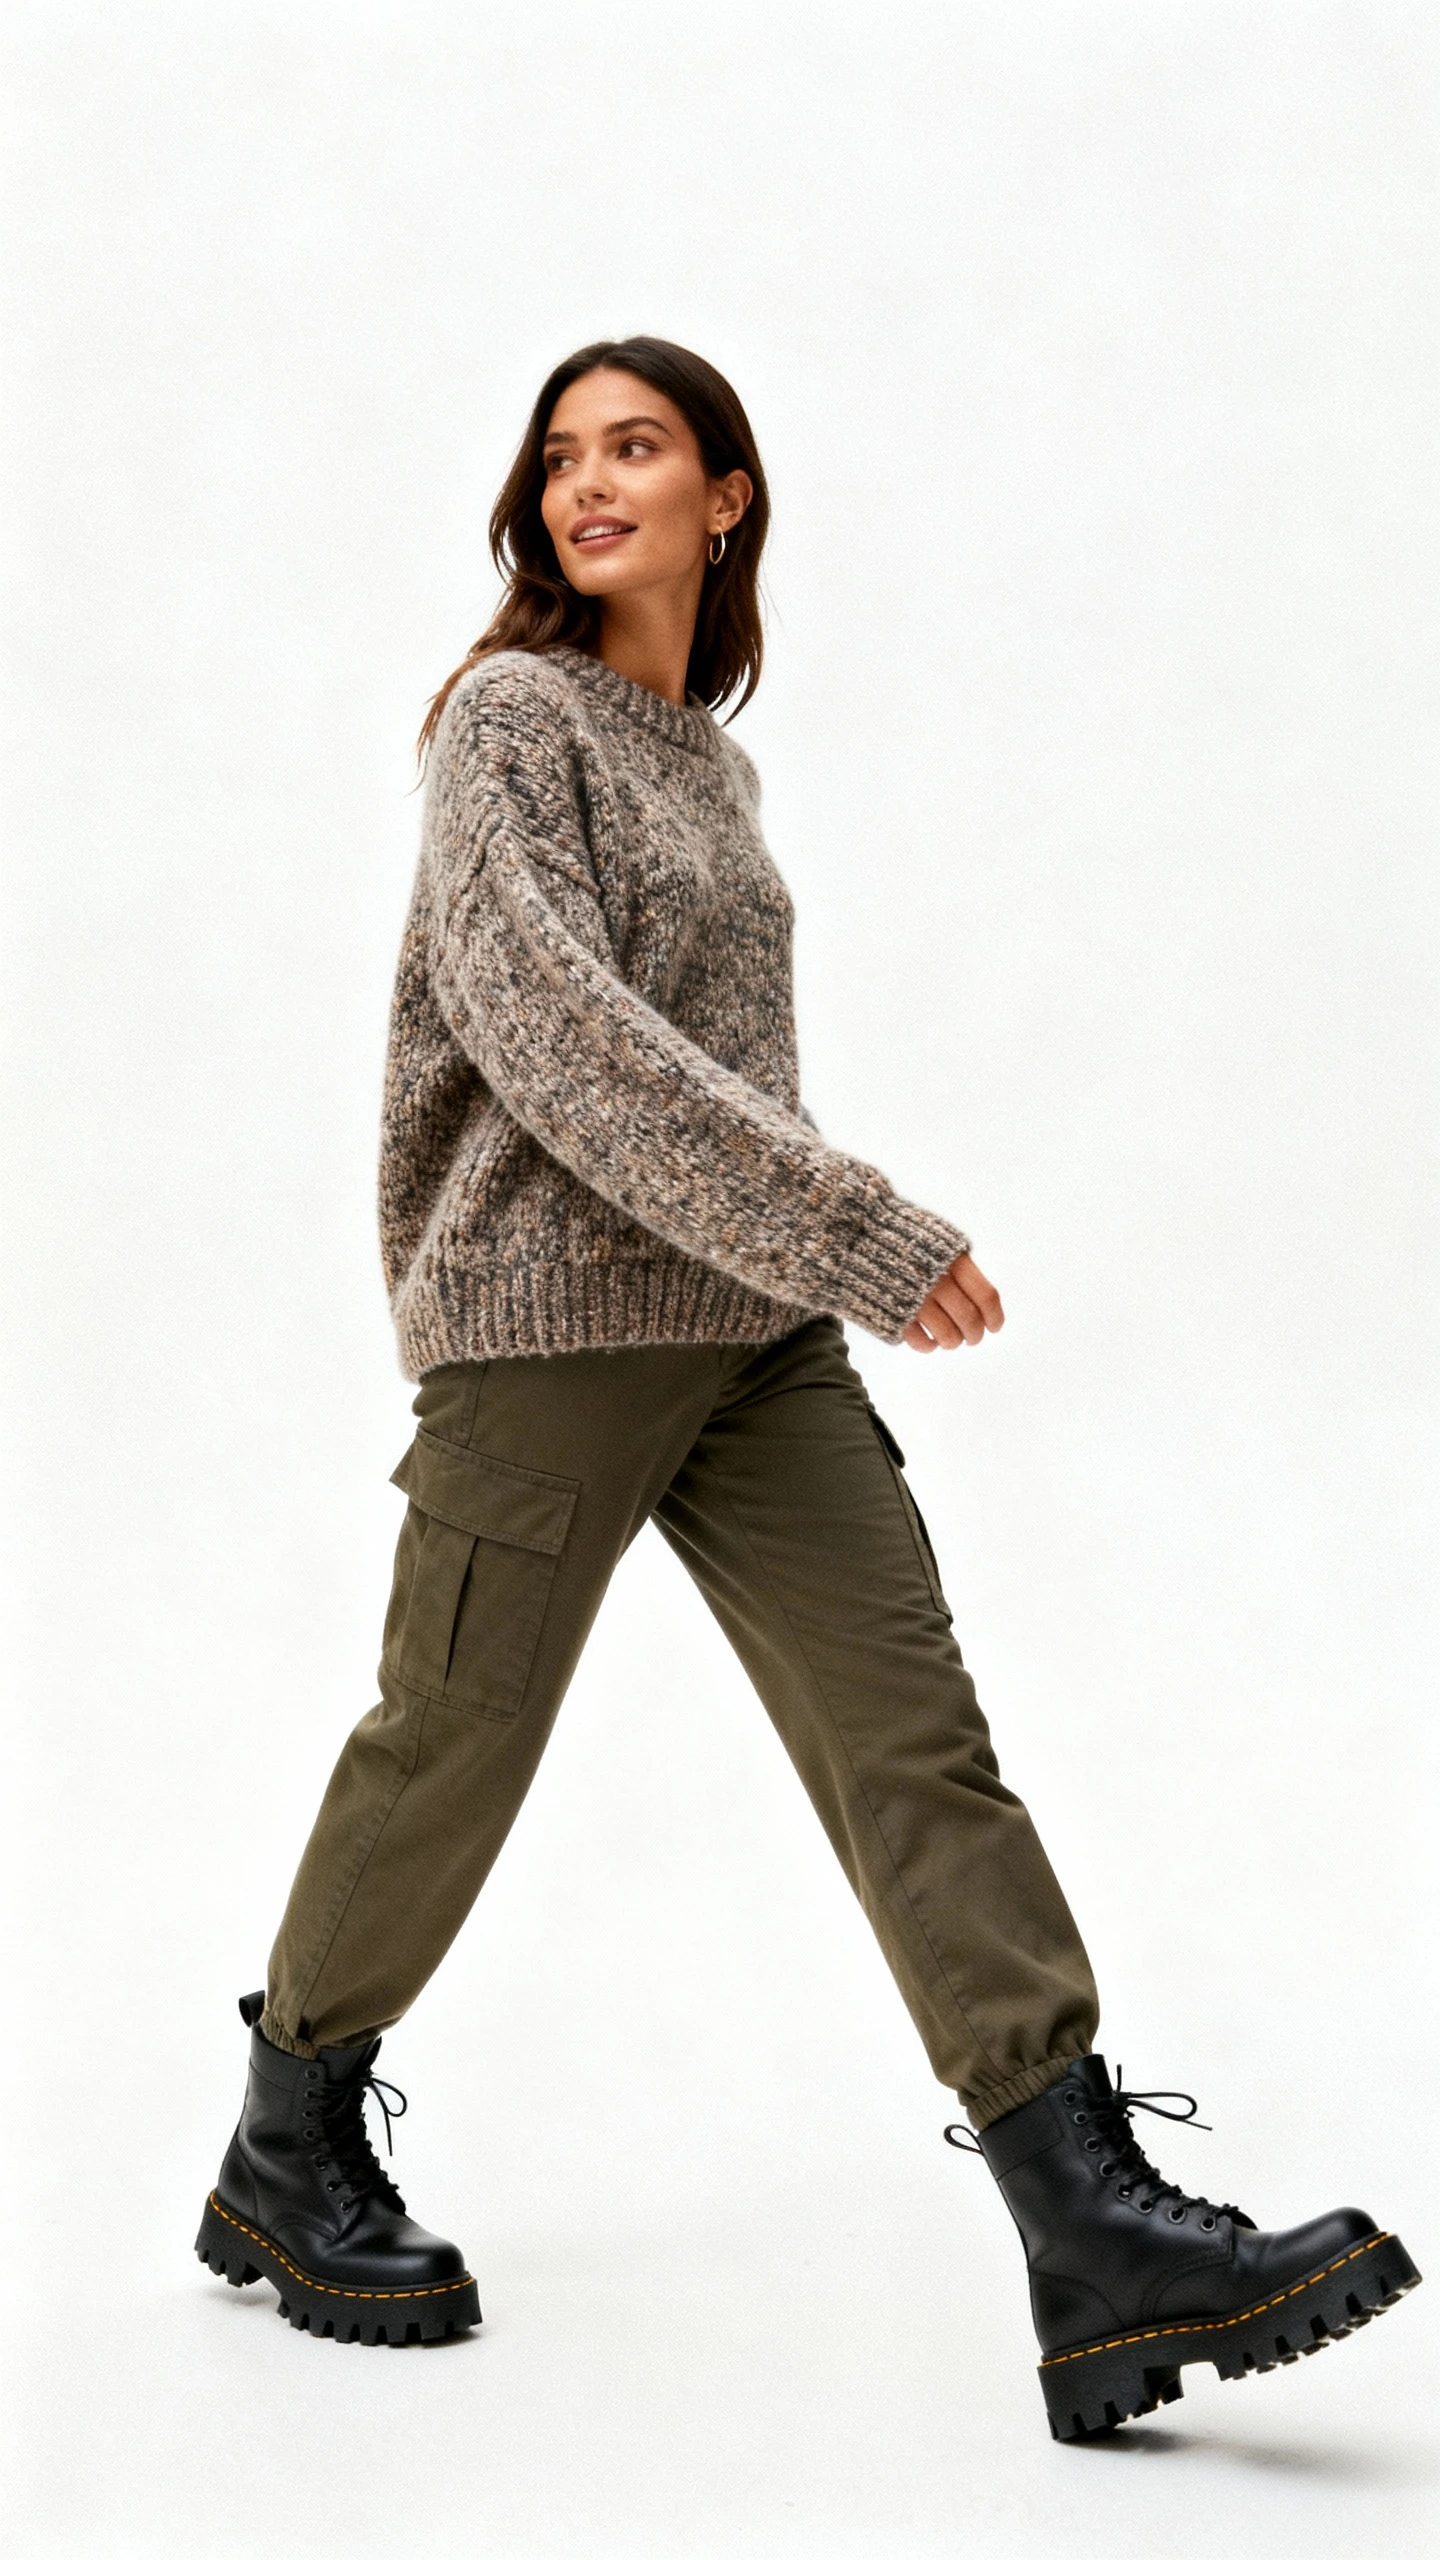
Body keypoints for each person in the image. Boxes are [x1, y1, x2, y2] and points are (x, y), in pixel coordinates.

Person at [196, 336, 1418, 2435]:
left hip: (752, 1345)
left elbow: (709, 1067)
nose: (592, 484)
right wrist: (853, 1224)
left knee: (913, 1739)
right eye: (563, 455)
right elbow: (559, 1038)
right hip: (548, 1328)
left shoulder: (708, 762)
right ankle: (283, 2145)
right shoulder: (506, 721)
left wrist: (797, 1263)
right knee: (451, 1746)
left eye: (639, 448)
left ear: (726, 495)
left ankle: (1090, 2220)